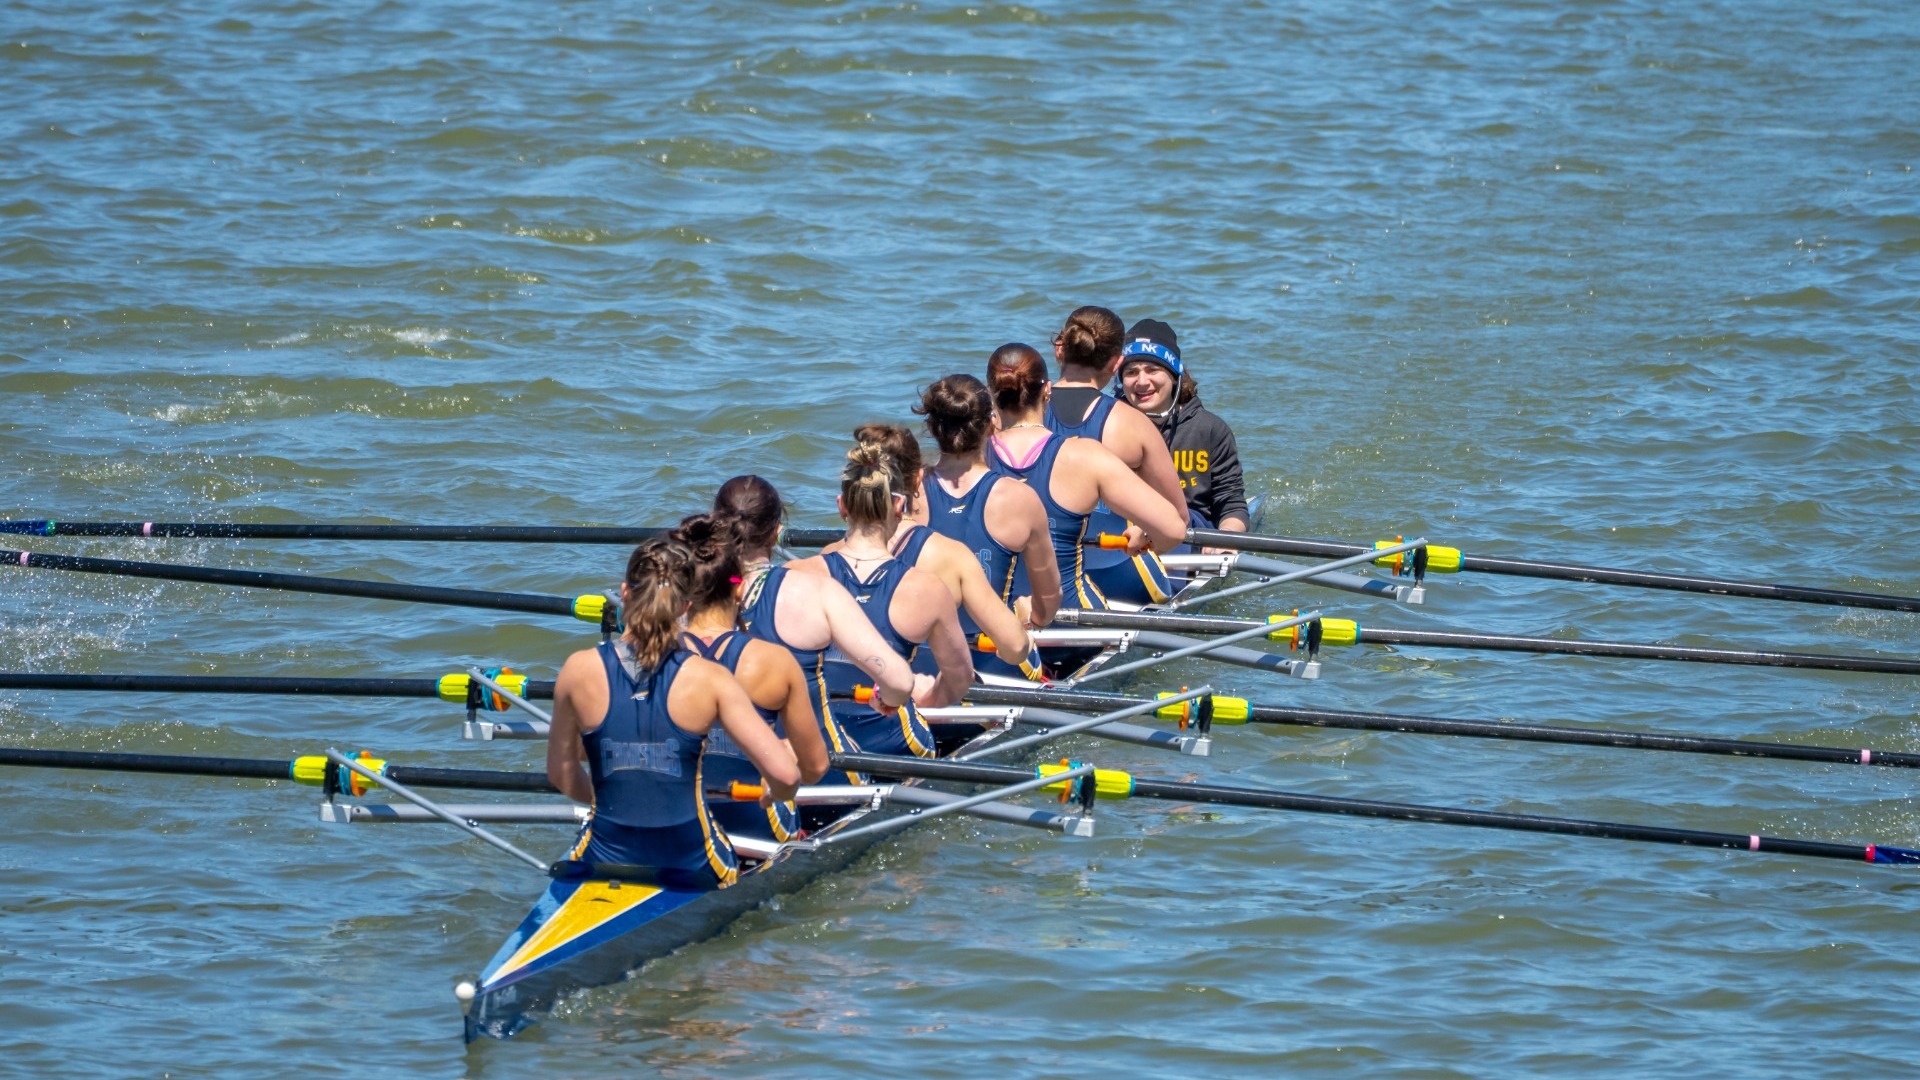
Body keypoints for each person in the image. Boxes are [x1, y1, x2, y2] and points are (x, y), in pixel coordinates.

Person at [545, 534, 801, 889]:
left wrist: (612, 802)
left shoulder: (577, 669)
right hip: (694, 863)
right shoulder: (710, 679)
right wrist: (775, 792)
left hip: (601, 858)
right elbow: (787, 777)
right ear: (685, 607)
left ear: (625, 593)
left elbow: (561, 773)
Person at [714, 475, 921, 774]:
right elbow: (901, 683)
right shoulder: (815, 591)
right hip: (820, 780)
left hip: (714, 787)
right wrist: (884, 698)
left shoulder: (685, 601)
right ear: (776, 533)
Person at [788, 440, 973, 757]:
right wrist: (923, 698)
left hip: (813, 744)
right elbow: (961, 679)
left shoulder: (793, 576)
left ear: (841, 506)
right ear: (900, 506)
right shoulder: (927, 589)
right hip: (894, 744)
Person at [985, 343, 1186, 610]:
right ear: (1047, 391)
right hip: (1075, 620)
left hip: (996, 620)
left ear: (991, 394)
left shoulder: (964, 460)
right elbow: (1175, 528)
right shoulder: (1085, 455)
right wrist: (1146, 538)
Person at [848, 418, 1050, 682]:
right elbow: (1014, 649)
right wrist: (1023, 628)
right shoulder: (950, 556)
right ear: (918, 478)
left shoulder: (820, 563)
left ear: (845, 502)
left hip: (853, 696)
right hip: (927, 697)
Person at [674, 512, 830, 843]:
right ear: (739, 588)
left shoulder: (651, 656)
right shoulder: (773, 661)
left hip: (672, 829)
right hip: (756, 827)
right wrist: (782, 752)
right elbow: (815, 769)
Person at [1046, 305, 1190, 604]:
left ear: (1060, 351)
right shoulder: (1131, 423)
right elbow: (1178, 521)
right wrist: (1146, 536)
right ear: (1116, 363)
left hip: (1032, 578)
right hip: (1114, 574)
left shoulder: (1012, 415)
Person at [1116, 319, 1249, 537]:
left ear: (1174, 375)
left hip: (1192, 533)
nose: (1141, 381)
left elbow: (1231, 504)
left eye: (1152, 369)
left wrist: (1227, 539)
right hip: (1125, 535)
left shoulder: (1210, 429)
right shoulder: (1108, 425)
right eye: (1131, 372)